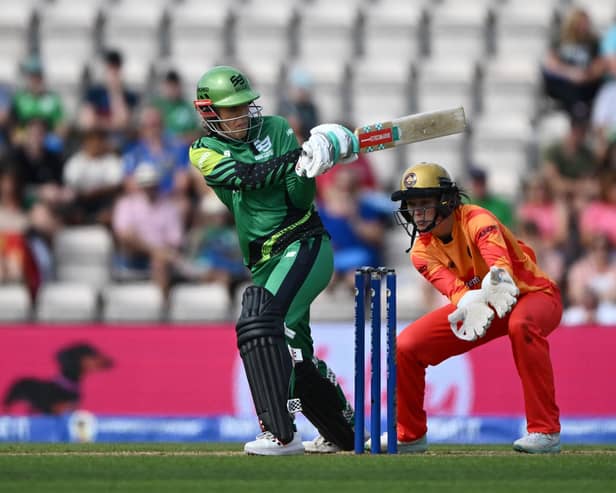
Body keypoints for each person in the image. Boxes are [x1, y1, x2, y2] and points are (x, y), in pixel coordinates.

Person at [189, 65, 360, 455]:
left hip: (304, 244)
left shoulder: (277, 127)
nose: (241, 116)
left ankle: (280, 434)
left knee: (259, 320)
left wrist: (311, 165)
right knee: (294, 357)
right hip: (265, 261)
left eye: (244, 107)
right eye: (230, 110)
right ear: (209, 113)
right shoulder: (204, 151)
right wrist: (298, 155)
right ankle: (344, 431)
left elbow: (299, 199)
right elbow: (244, 177)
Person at [382, 162, 563, 454]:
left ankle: (545, 431)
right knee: (407, 346)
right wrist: (471, 301)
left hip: (533, 295)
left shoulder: (478, 219)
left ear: (446, 200)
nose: (416, 212)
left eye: (424, 202)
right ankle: (410, 434)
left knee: (521, 325)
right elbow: (458, 293)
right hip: (482, 304)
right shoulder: (420, 252)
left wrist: (494, 284)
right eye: (412, 204)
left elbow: (500, 271)